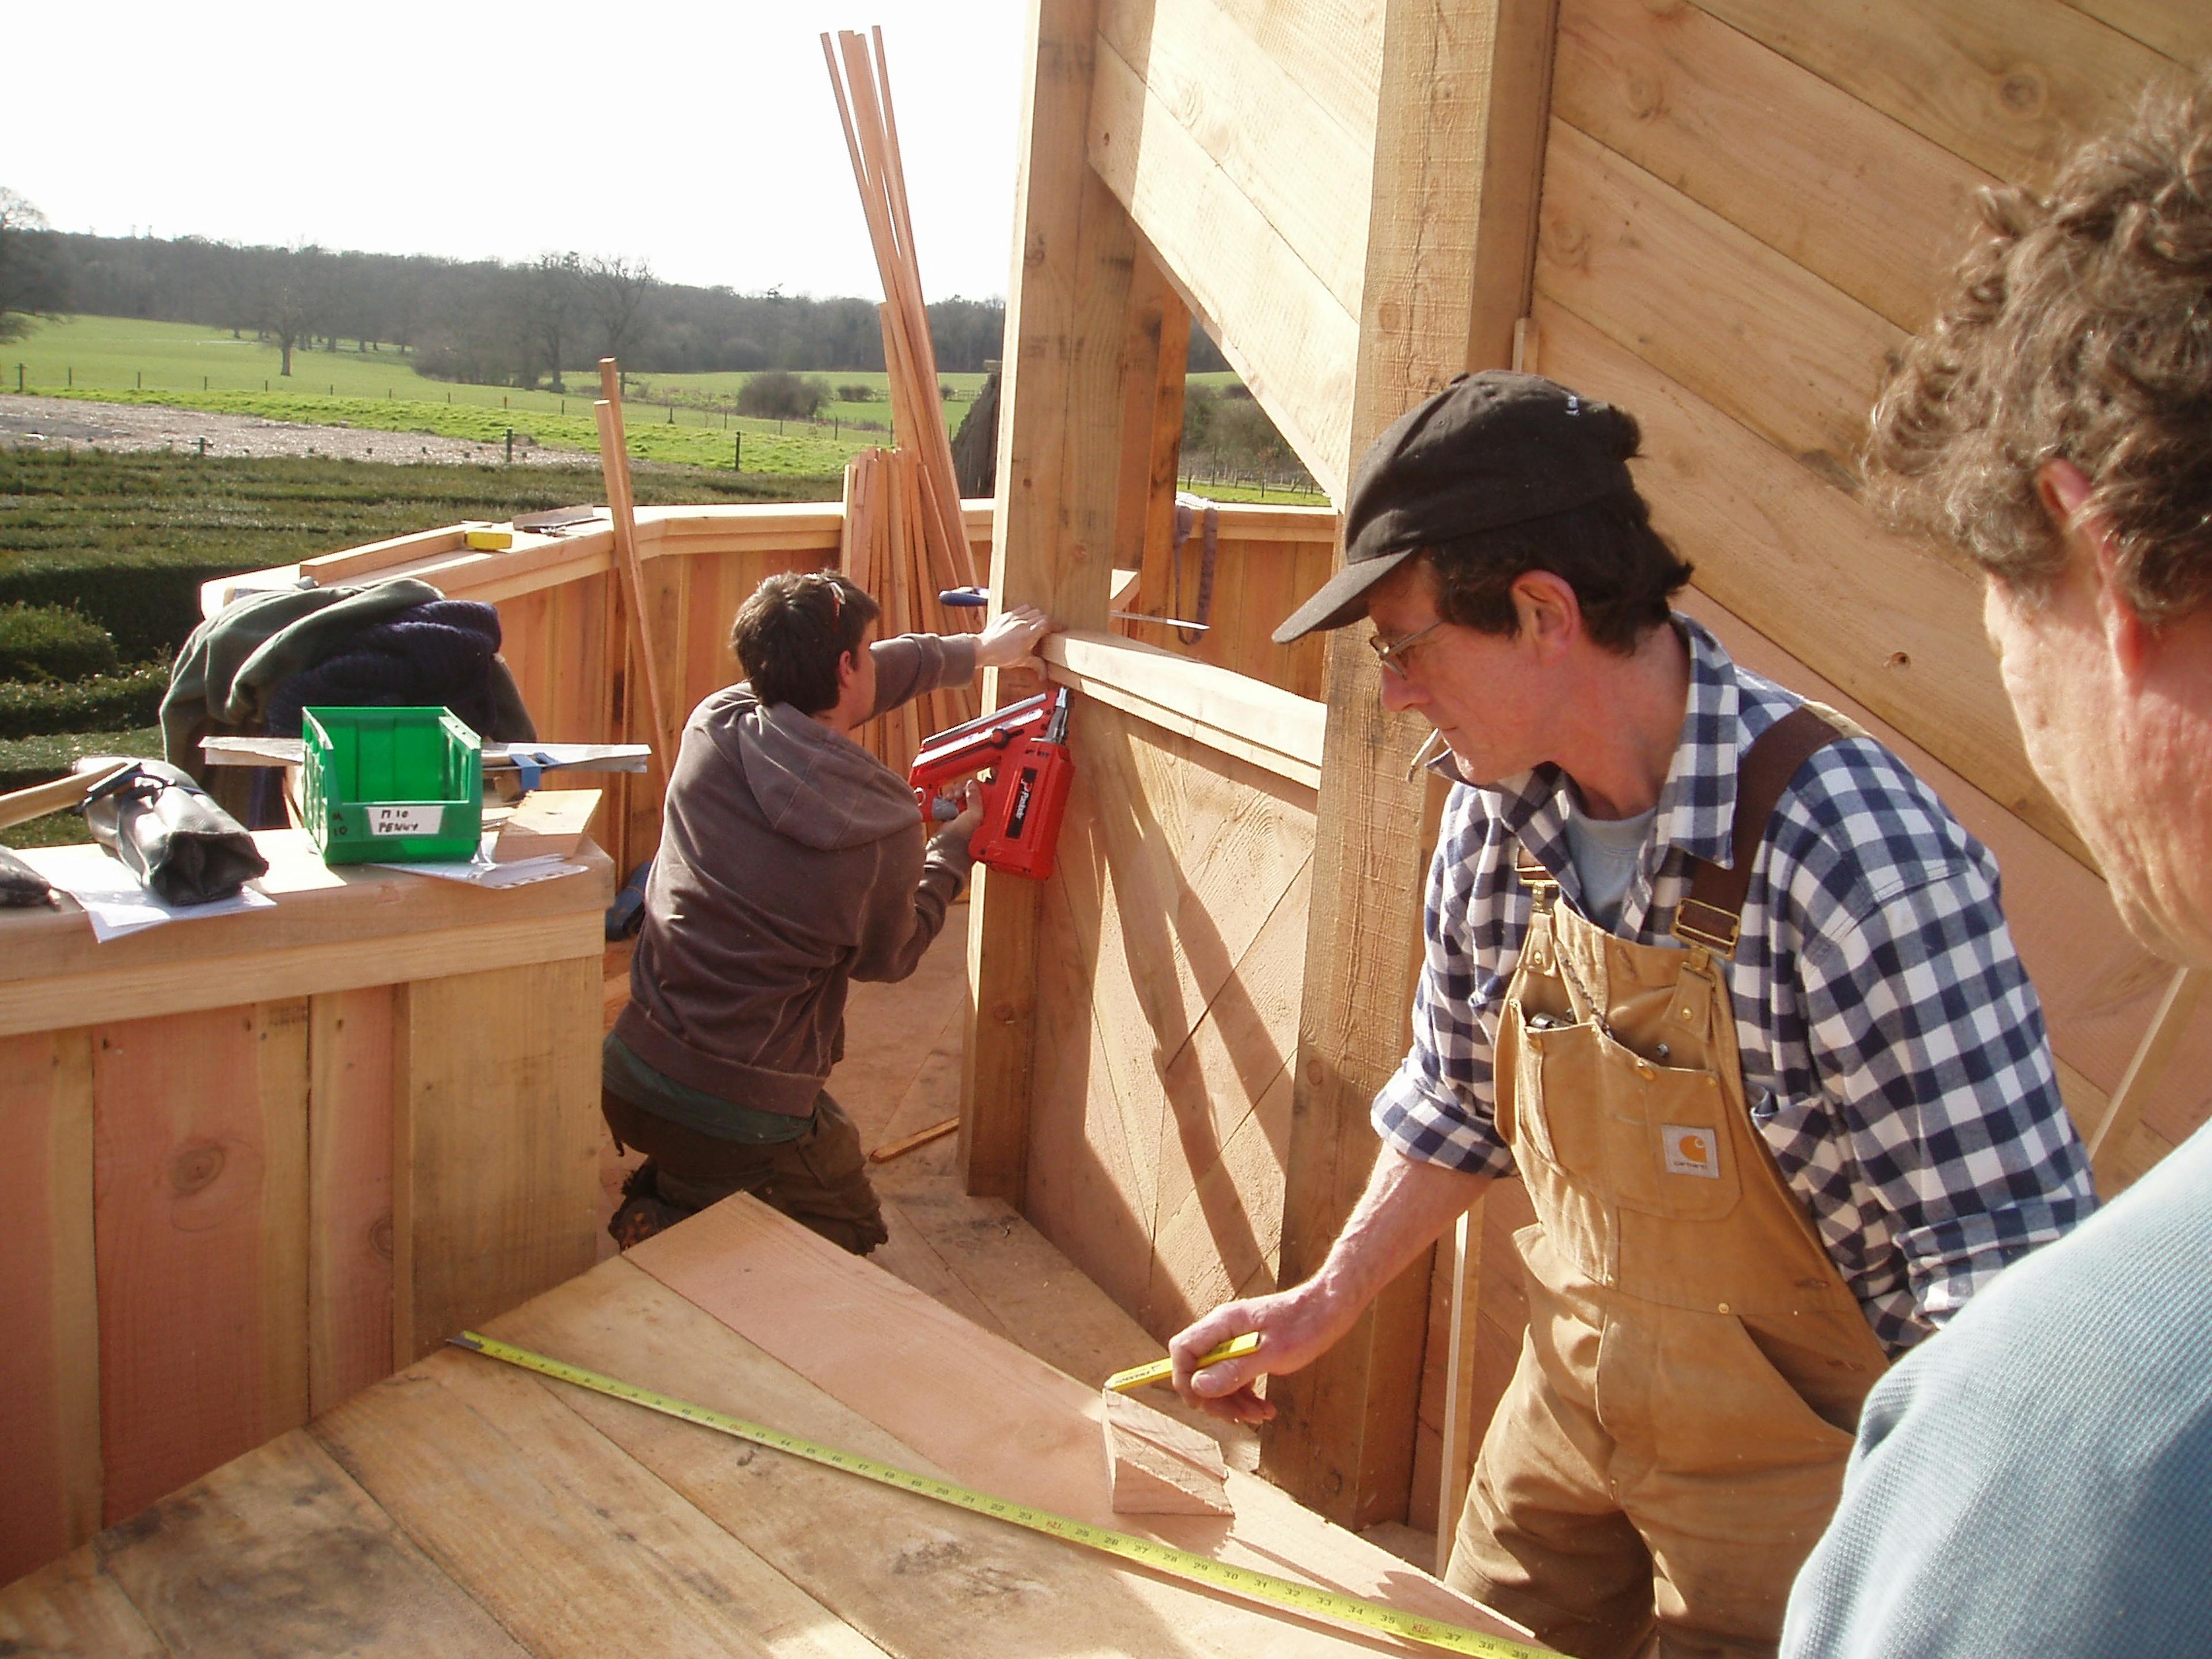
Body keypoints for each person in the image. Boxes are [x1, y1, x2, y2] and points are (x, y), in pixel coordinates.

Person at [1165, 371, 2096, 1658]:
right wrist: (1331, 1295)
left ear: (1542, 612)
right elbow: (1457, 1104)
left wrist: (1945, 1572)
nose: (1397, 693)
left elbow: (2005, 1274)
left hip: (1801, 1477)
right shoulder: (1499, 821)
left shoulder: (1852, 857)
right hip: (1573, 1393)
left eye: (1405, 644)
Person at [1780, 68, 2212, 1659]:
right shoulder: (1500, 809)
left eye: (2003, 642)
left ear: (2101, 564)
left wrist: (1985, 1451)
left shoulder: (2080, 1450)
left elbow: (1989, 1261)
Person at [603, 570, 1050, 1254]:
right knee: (847, 1232)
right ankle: (671, 1217)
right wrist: (950, 853)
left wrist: (980, 651)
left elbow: (847, 684)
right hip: (733, 1107)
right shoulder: (882, 828)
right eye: (864, 653)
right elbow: (891, 958)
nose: (874, 663)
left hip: (631, 1065)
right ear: (846, 669)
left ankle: (689, 1180)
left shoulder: (712, 728)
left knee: (803, 1136)